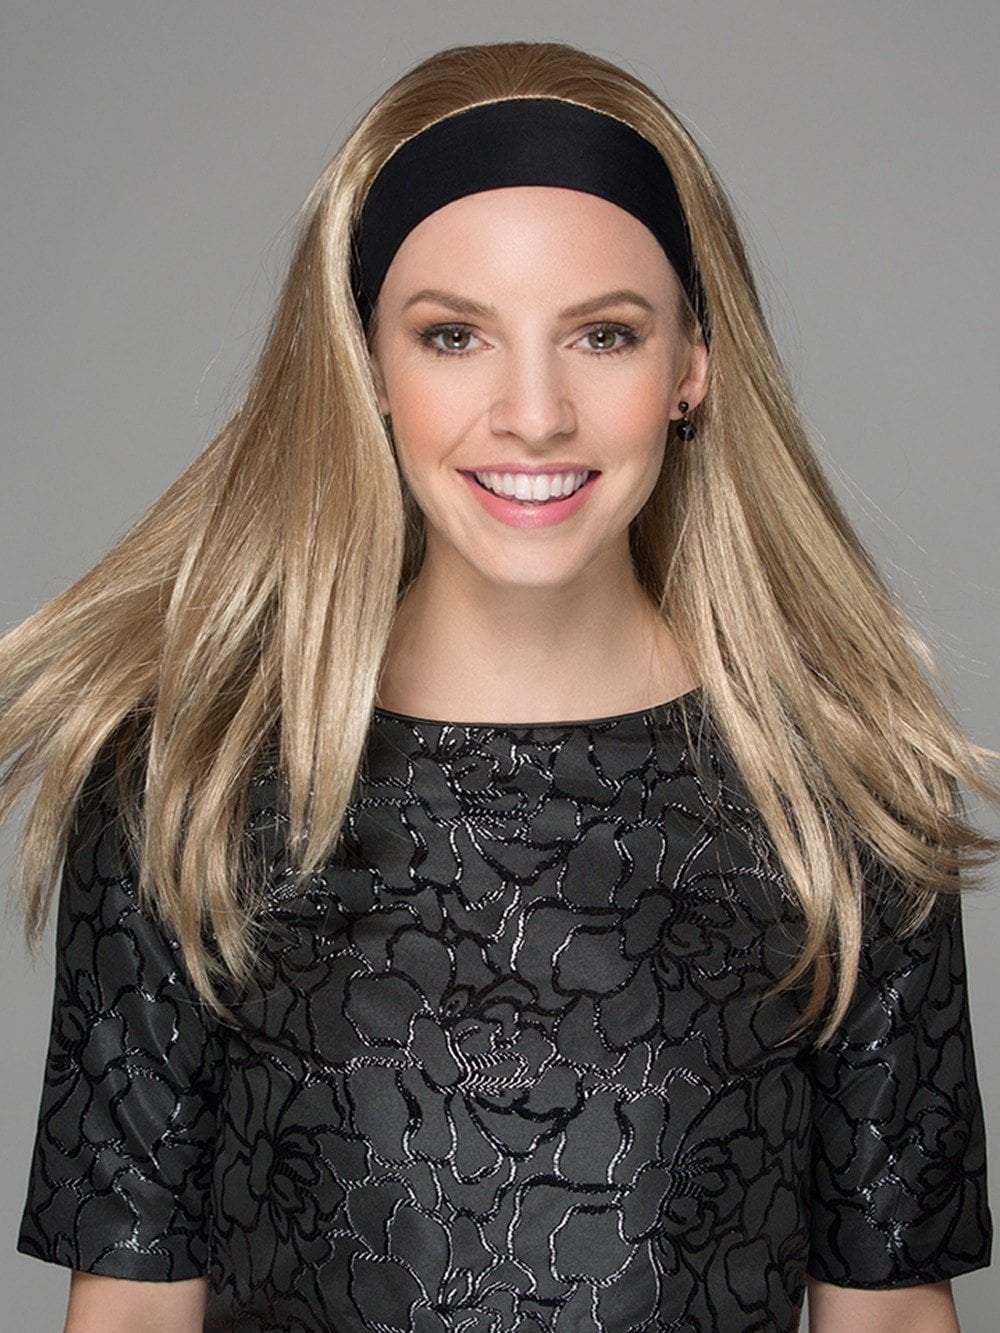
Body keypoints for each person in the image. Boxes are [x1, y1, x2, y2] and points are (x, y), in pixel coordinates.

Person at [5, 39, 996, 1333]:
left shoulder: (844, 800)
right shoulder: (187, 790)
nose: (535, 412)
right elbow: (132, 1315)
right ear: (367, 365)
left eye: (603, 334)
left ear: (692, 365)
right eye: (455, 336)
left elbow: (891, 1317)